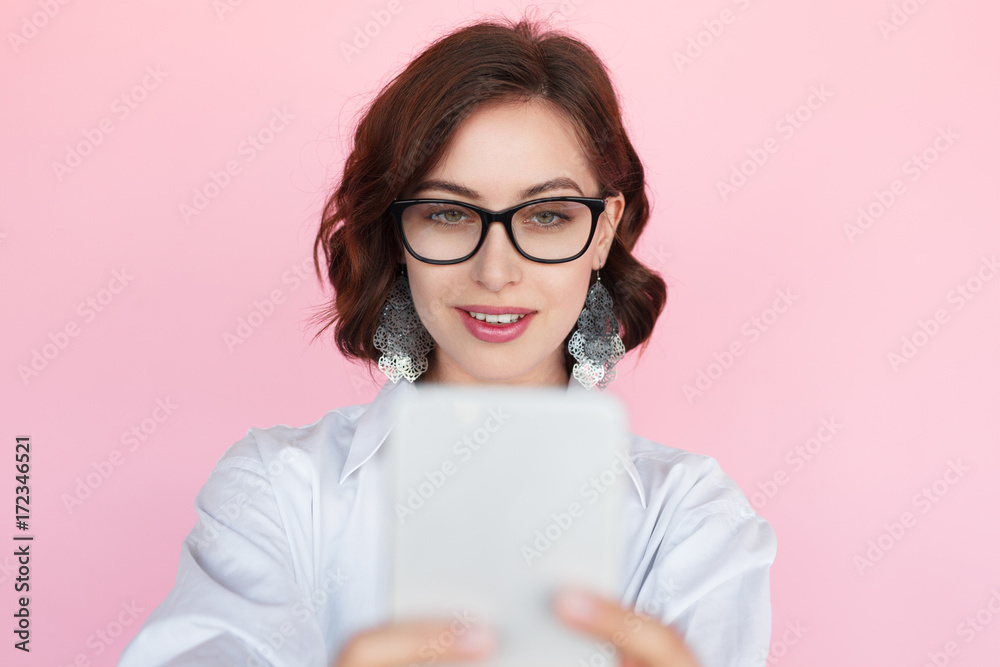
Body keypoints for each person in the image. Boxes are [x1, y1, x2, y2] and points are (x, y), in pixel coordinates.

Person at [118, 15, 776, 667]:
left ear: (603, 232)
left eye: (547, 215)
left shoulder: (688, 518)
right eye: (448, 212)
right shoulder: (281, 492)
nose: (494, 271)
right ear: (400, 236)